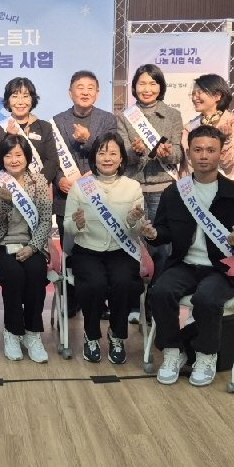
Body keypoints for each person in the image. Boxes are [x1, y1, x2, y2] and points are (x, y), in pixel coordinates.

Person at [140, 125, 234, 388]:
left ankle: (206, 355)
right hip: (185, 264)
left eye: (211, 150)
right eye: (198, 150)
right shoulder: (175, 192)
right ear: (189, 153)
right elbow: (163, 232)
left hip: (223, 269)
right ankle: (173, 351)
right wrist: (152, 234)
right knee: (160, 291)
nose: (204, 156)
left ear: (220, 153)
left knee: (206, 298)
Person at [64, 132, 146, 364]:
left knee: (123, 282)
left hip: (121, 250)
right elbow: (67, 226)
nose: (107, 158)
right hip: (87, 250)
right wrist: (77, 223)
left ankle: (117, 335)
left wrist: (133, 220)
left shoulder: (132, 187)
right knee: (95, 284)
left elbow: (137, 229)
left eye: (113, 153)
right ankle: (91, 335)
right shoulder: (81, 187)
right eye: (102, 153)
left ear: (121, 159)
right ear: (94, 157)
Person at [0, 134, 53, 363]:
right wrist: (6, 203)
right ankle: (12, 332)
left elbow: (45, 220)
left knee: (36, 271)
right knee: (14, 274)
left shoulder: (39, 182)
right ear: (1, 159)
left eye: (18, 155)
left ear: (27, 157)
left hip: (30, 244)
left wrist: (33, 246)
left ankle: (32, 333)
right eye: (8, 155)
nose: (14, 160)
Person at [118, 63, 183, 321]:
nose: (147, 88)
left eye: (153, 83)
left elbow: (179, 154)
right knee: (131, 245)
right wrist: (135, 152)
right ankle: (133, 304)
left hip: (161, 188)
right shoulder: (125, 116)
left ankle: (156, 303)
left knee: (161, 247)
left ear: (161, 86)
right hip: (132, 188)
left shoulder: (173, 115)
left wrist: (168, 153)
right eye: (142, 83)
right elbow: (123, 155)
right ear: (134, 87)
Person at [51, 70, 118, 316]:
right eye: (80, 87)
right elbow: (51, 158)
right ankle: (71, 300)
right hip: (66, 195)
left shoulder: (108, 120)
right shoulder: (57, 121)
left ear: (98, 93)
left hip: (99, 195)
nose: (85, 92)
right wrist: (59, 179)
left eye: (91, 88)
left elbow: (112, 153)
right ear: (70, 92)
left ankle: (99, 302)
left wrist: (89, 140)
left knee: (98, 249)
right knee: (70, 250)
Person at [0, 77, 58, 185]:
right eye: (15, 96)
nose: (20, 102)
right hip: (8, 187)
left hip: (38, 187)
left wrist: (37, 184)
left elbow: (52, 161)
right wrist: (7, 136)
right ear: (8, 100)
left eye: (25, 96)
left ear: (32, 99)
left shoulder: (45, 127)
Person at [182, 73, 234, 181]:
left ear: (217, 96)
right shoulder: (189, 128)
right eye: (193, 94)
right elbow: (186, 165)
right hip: (193, 187)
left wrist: (226, 140)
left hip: (224, 186)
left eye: (199, 93)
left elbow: (230, 162)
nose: (194, 98)